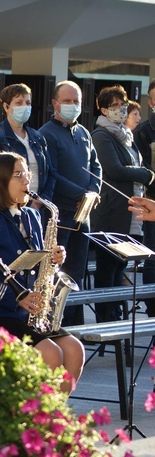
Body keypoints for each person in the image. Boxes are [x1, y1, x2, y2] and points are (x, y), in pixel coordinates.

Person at [0, 151, 84, 393]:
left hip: (24, 313)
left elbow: (37, 263)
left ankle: (52, 418)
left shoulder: (32, 215)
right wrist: (16, 298)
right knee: (51, 354)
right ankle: (28, 421)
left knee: (74, 350)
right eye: (18, 175)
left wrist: (52, 260)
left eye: (27, 173)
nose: (27, 181)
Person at [38, 81, 101, 325]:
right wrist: (80, 194)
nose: (72, 106)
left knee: (78, 271)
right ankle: (55, 323)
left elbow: (96, 166)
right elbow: (52, 173)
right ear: (55, 104)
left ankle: (75, 324)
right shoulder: (46, 134)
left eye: (76, 101)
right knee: (57, 272)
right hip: (61, 214)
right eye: (67, 101)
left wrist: (93, 192)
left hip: (83, 215)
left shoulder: (84, 133)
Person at [91, 85, 155, 322]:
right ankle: (105, 318)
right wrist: (146, 174)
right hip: (111, 212)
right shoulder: (101, 135)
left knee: (120, 267)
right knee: (108, 267)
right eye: (114, 105)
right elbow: (114, 169)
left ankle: (115, 313)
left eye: (123, 104)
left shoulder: (126, 135)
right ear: (104, 110)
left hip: (129, 212)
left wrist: (142, 173)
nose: (120, 109)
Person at [0, 83, 55, 204]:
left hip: (39, 206)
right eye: (19, 103)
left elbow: (50, 173)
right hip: (10, 205)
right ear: (6, 107)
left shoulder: (38, 137)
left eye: (28, 103)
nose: (25, 107)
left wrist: (41, 201)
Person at [133, 79, 155, 317]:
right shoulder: (143, 132)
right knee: (153, 259)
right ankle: (153, 309)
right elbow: (144, 170)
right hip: (152, 206)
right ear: (151, 103)